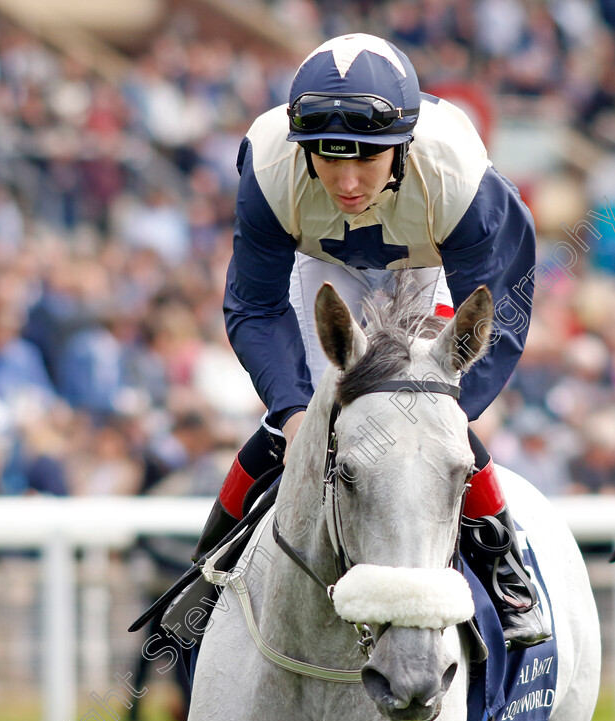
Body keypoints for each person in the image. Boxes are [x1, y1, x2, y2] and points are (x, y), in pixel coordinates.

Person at [175, 33, 550, 651]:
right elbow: (254, 306)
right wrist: (293, 412)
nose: (347, 182)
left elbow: (500, 316)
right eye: (326, 158)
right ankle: (205, 574)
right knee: (300, 413)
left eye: (367, 160)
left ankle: (506, 571)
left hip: (427, 268)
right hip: (322, 267)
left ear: (402, 148)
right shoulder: (269, 165)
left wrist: (441, 407)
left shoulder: (459, 175)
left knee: (427, 417)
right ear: (303, 148)